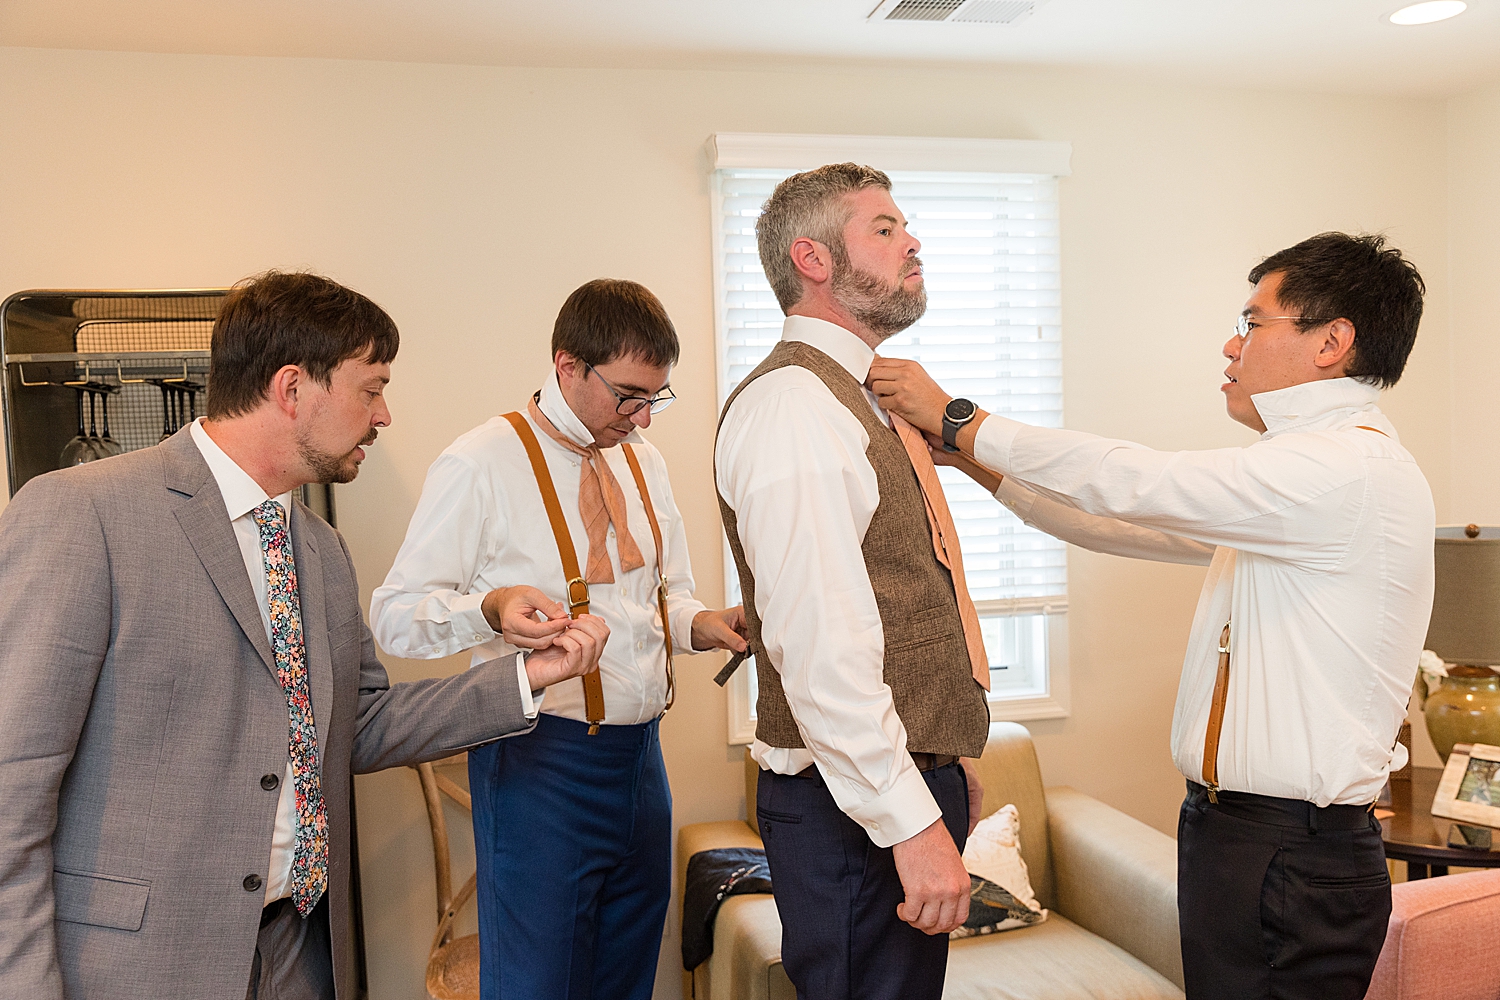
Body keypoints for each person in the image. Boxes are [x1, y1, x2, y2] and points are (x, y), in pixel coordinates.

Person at [0, 271, 608, 1000]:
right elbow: (13, 788)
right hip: (140, 964)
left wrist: (527, 678)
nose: (384, 416)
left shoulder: (318, 549)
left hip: (296, 952)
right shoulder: (82, 514)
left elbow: (359, 723)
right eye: (371, 388)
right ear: (293, 389)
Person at [868, 231, 1434, 1000]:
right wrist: (975, 462)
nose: (1232, 346)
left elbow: (1135, 480)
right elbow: (1121, 521)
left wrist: (961, 416)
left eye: (1254, 322)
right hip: (1236, 837)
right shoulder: (1294, 480)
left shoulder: (1344, 469)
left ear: (1332, 341)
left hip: (1293, 850)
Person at [371, 277, 746, 1000]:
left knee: (628, 971)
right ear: (567, 364)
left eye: (654, 398)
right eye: (627, 395)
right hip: (540, 764)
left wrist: (706, 625)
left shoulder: (645, 462)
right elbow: (395, 615)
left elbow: (656, 602)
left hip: (642, 763)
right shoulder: (479, 462)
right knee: (538, 983)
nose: (641, 419)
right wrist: (490, 608)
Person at [713, 163, 990, 1000]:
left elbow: (902, 596)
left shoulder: (863, 399)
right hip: (850, 815)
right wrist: (912, 823)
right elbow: (821, 649)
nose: (912, 241)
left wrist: (947, 759)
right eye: (884, 227)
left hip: (892, 784)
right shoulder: (796, 404)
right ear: (814, 258)